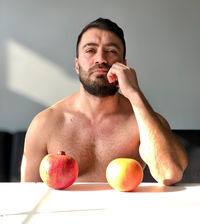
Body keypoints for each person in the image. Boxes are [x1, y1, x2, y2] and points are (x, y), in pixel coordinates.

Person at [21, 18, 188, 185]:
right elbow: (27, 196)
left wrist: (134, 93)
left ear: (124, 65)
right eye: (90, 50)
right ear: (77, 65)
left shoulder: (142, 120)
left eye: (111, 51)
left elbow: (170, 173)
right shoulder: (45, 123)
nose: (100, 58)